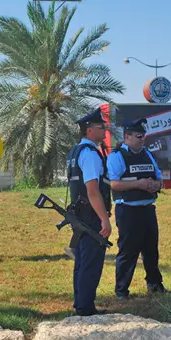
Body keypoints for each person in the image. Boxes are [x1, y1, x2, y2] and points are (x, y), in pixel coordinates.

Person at [107, 118, 165, 300]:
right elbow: (115, 184)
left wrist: (155, 185)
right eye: (139, 136)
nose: (142, 139)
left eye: (144, 136)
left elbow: (159, 178)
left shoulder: (147, 154)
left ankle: (155, 285)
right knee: (128, 251)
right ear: (127, 137)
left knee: (151, 250)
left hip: (148, 209)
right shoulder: (117, 156)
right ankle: (121, 291)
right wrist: (139, 184)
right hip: (128, 211)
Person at [67, 108, 113, 316]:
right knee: (91, 262)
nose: (104, 129)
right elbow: (93, 190)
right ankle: (85, 308)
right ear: (89, 130)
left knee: (83, 260)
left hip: (79, 213)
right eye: (100, 126)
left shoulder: (76, 151)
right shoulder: (90, 154)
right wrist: (105, 219)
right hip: (90, 215)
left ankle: (81, 303)